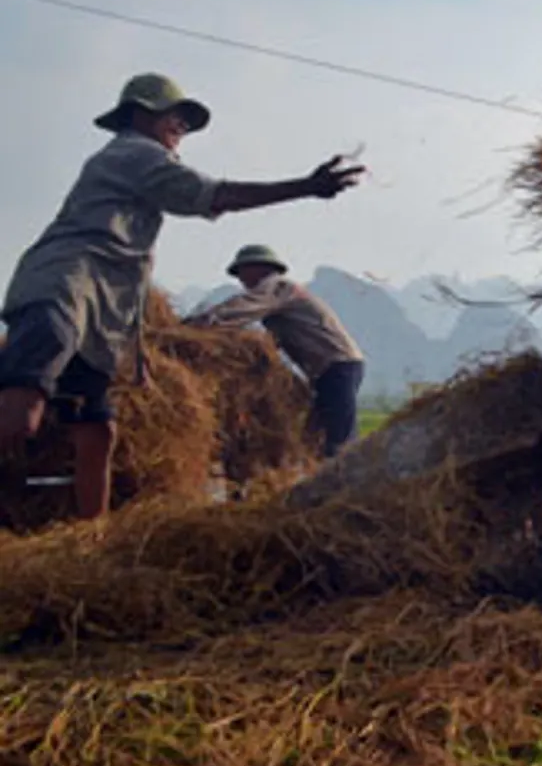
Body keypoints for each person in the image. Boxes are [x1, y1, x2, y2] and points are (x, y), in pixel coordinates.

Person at [0, 73, 366, 522]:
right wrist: (304, 187)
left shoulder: (143, 180)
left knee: (98, 428)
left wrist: (137, 359)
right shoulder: (134, 152)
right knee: (23, 410)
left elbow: (128, 283)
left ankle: (89, 539)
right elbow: (217, 195)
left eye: (184, 122)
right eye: (174, 117)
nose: (181, 128)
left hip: (98, 313)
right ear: (140, 113)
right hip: (63, 289)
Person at [186, 245, 366, 457]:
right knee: (317, 436)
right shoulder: (279, 297)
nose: (241, 279)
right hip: (328, 369)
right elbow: (272, 340)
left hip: (338, 365)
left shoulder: (276, 287)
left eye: (242, 272)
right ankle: (326, 480)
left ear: (259, 268)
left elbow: (241, 308)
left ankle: (350, 484)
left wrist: (198, 325)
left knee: (337, 439)